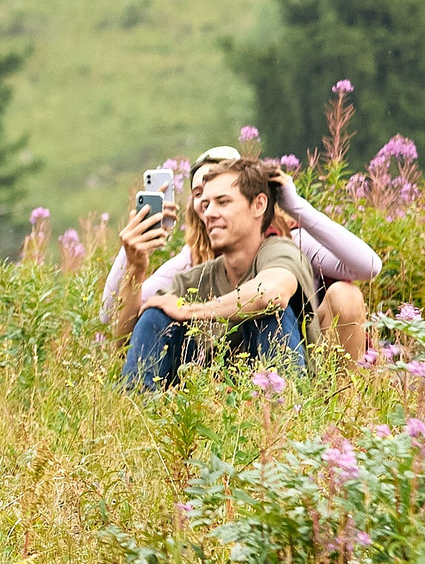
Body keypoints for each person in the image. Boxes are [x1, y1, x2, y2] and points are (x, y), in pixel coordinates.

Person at [101, 145, 379, 363]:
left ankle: (343, 407)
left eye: (222, 197)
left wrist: (295, 207)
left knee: (345, 295)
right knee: (155, 317)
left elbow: (368, 266)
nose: (208, 206)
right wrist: (131, 253)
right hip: (225, 367)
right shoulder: (191, 260)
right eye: (200, 194)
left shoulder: (290, 241)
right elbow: (110, 315)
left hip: (303, 347)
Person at [107, 156, 313, 390]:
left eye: (222, 202)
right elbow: (124, 346)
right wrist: (136, 268)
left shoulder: (280, 251)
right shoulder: (195, 279)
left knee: (270, 313)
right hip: (211, 404)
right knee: (156, 315)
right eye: (205, 205)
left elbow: (271, 294)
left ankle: (280, 410)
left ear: (259, 205)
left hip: (274, 401)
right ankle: (140, 413)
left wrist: (192, 310)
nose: (209, 214)